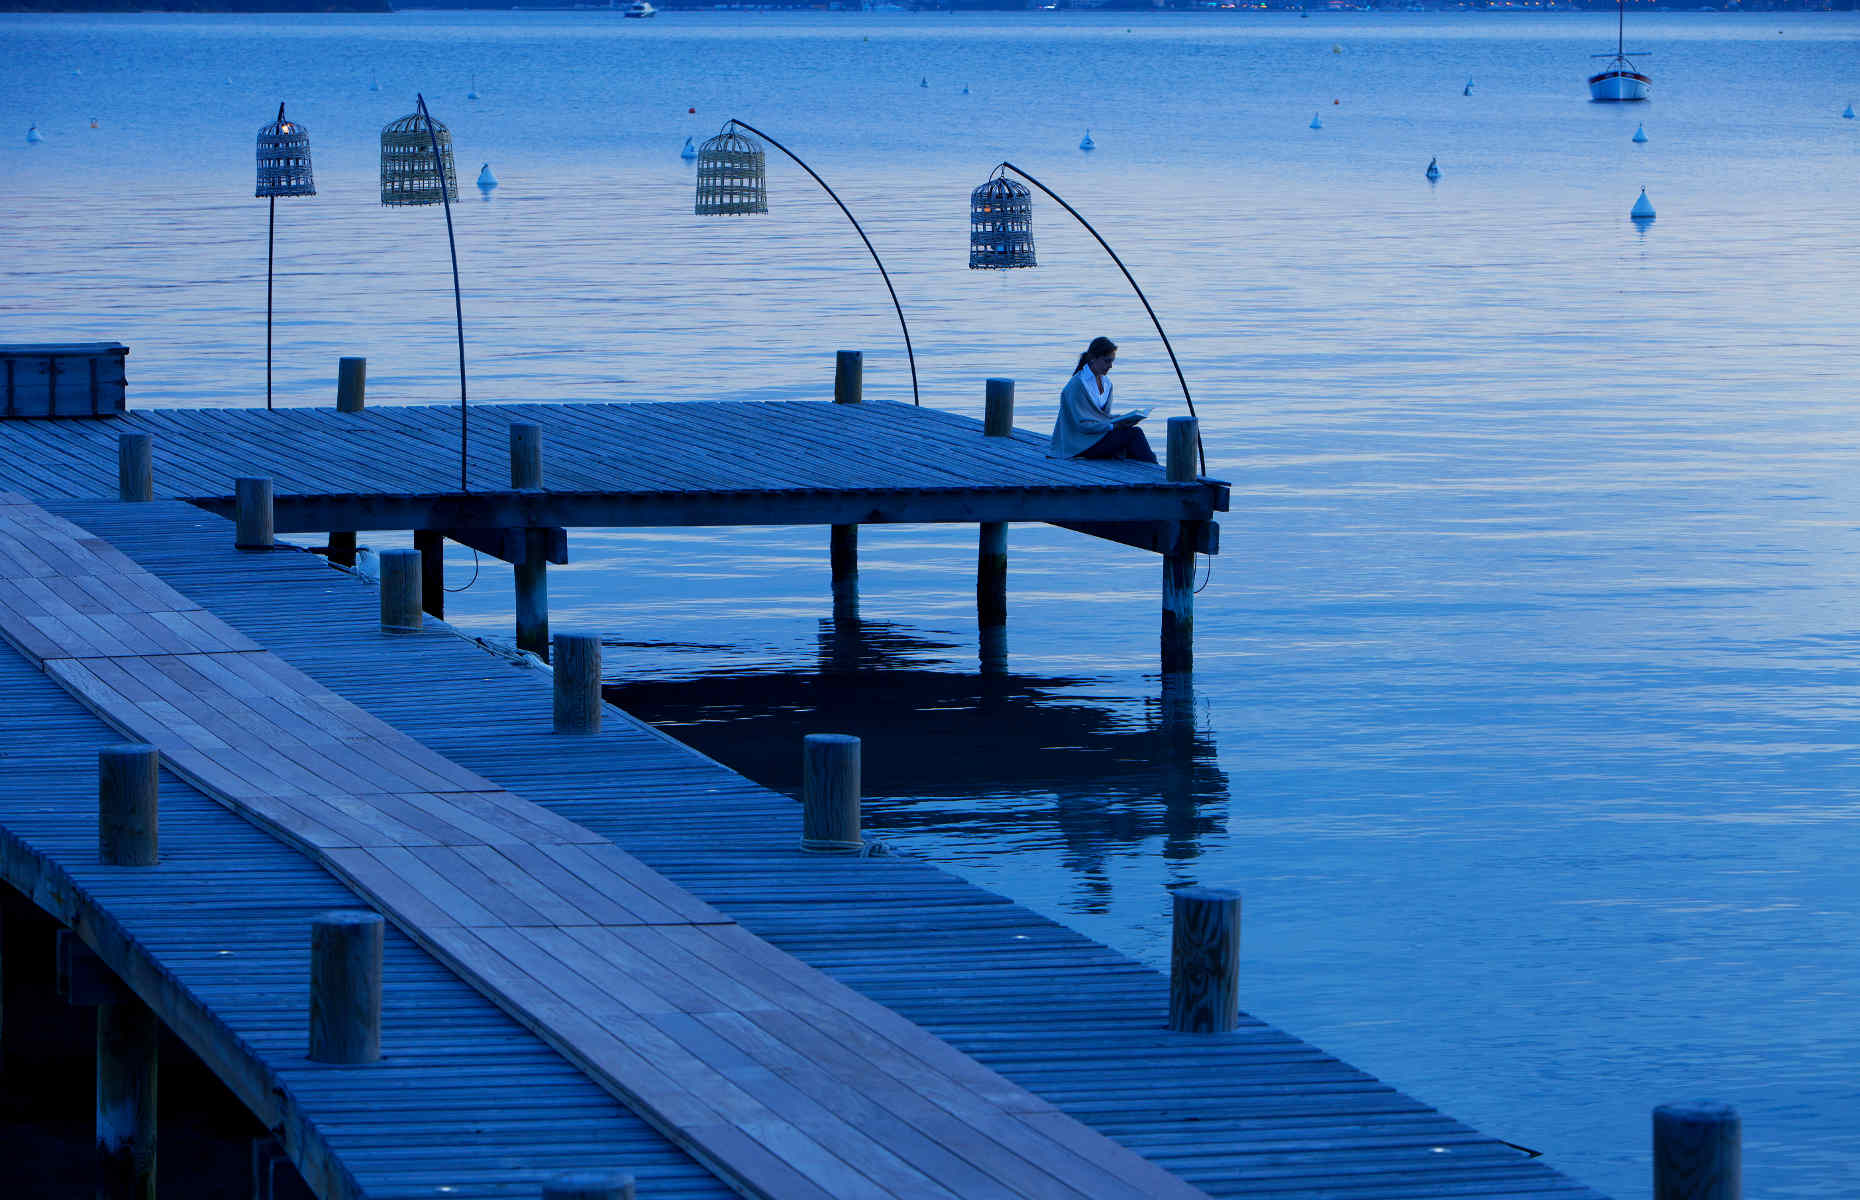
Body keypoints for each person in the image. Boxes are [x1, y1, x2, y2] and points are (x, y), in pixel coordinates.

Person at [1046, 336, 1157, 463]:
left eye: (1112, 361)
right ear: (1093, 359)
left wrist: (1122, 419)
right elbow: (1083, 425)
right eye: (1107, 361)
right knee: (1134, 434)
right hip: (1080, 444)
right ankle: (1156, 470)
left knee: (1132, 437)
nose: (1110, 366)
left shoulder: (1107, 383)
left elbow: (1100, 417)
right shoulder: (1076, 385)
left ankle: (1150, 470)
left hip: (1097, 437)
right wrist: (1113, 425)